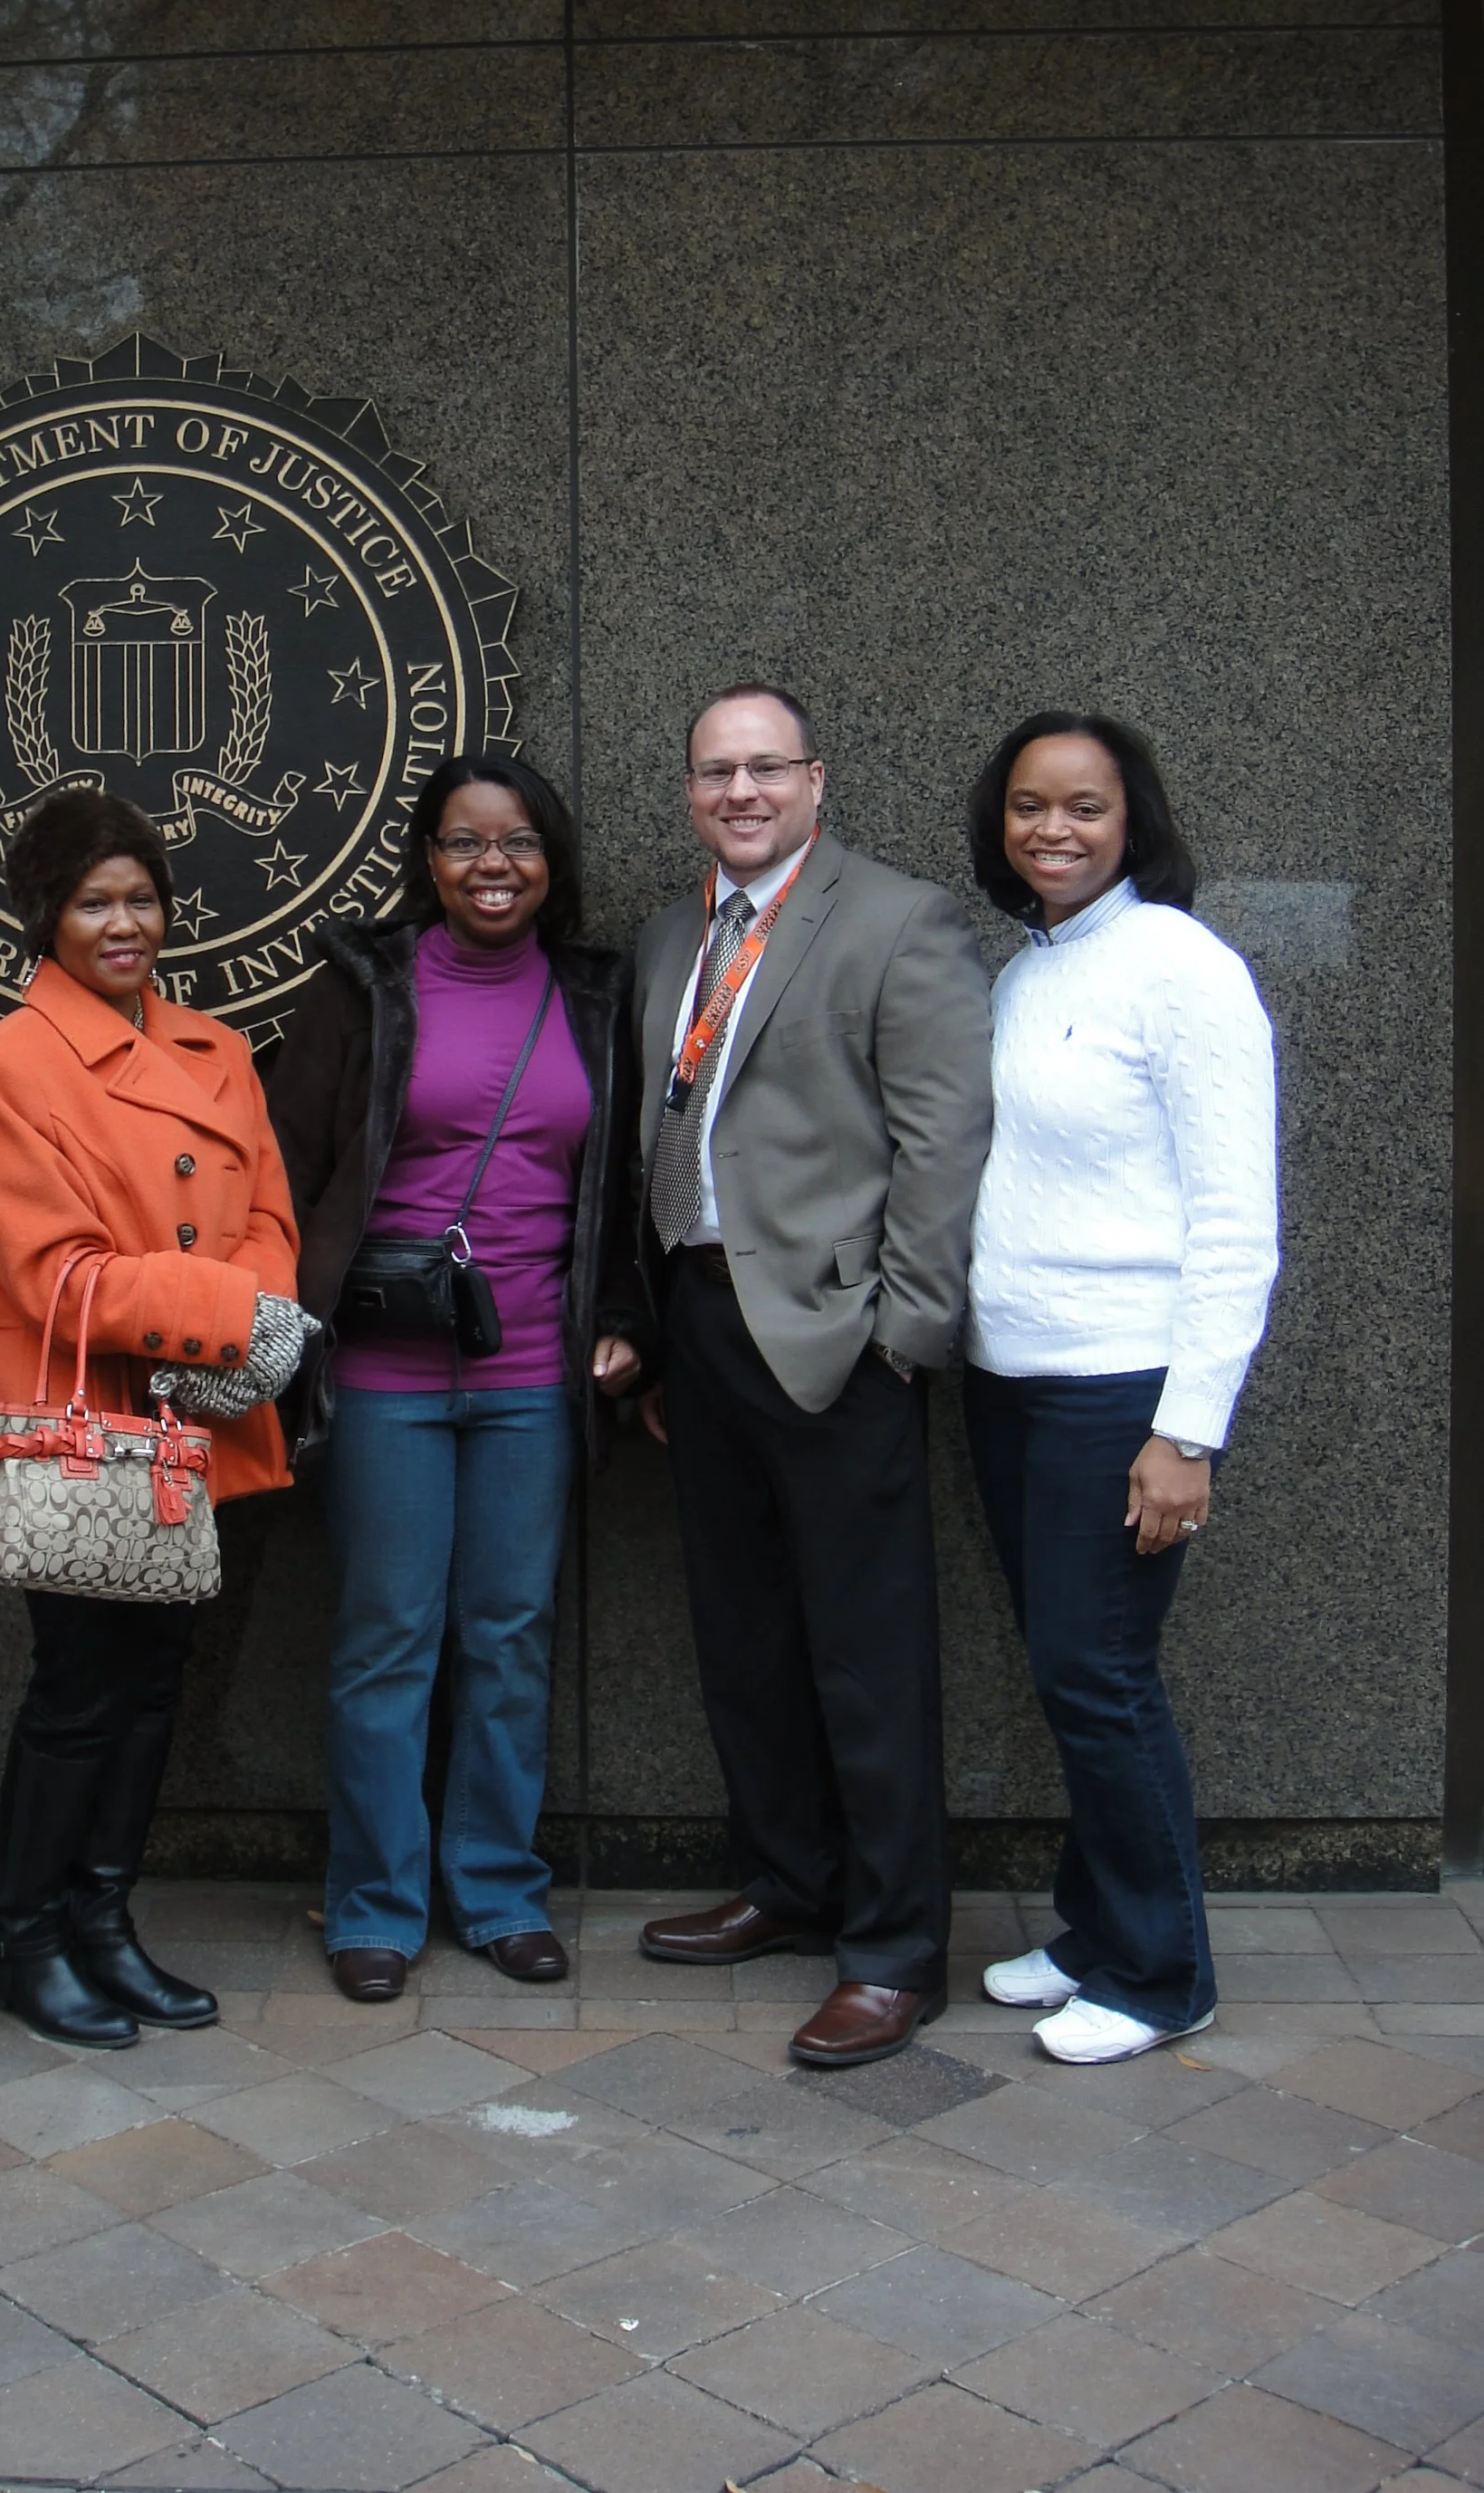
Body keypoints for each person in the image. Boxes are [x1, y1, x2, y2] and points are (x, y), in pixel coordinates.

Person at [626, 685, 994, 2067]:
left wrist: (905, 1336)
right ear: (689, 791)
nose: (741, 792)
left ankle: (894, 1951)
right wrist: (659, 1335)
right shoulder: (673, 936)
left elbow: (945, 1142)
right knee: (745, 1639)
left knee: (866, 1658)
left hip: (841, 1340)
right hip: (702, 1326)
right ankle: (790, 1881)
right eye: (715, 771)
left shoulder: (899, 921)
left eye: (766, 768)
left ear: (816, 781)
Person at [266, 756, 643, 2003]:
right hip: (384, 1376)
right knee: (388, 1639)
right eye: (466, 841)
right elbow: (289, 1167)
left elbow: (625, 1183)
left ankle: (496, 1891)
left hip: (536, 1372)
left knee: (511, 1637)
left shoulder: (595, 995)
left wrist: (622, 1322)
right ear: (427, 860)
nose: (494, 864)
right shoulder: (364, 986)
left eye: (519, 841)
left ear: (552, 860)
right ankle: (375, 1903)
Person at [0, 791, 306, 2048]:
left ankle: (101, 1926)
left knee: (155, 1682)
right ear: (46, 914)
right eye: (93, 901)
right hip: (82, 1414)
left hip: (193, 1413)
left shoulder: (218, 1048)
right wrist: (233, 1315)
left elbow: (269, 1218)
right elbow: (52, 1272)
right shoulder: (9, 1062)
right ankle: (24, 1940)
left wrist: (246, 1311)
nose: (123, 924)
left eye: (142, 898)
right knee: (78, 1689)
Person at [963, 714, 1277, 2065]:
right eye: (1029, 806)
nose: (1054, 830)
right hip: (1011, 1379)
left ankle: (1162, 1973)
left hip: (1122, 1387)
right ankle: (1097, 1931)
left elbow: (1238, 1223)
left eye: (1084, 807)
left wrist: (1186, 1431)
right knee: (1068, 1670)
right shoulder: (1027, 967)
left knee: (1100, 1676)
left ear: (1132, 820)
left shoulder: (1183, 968)